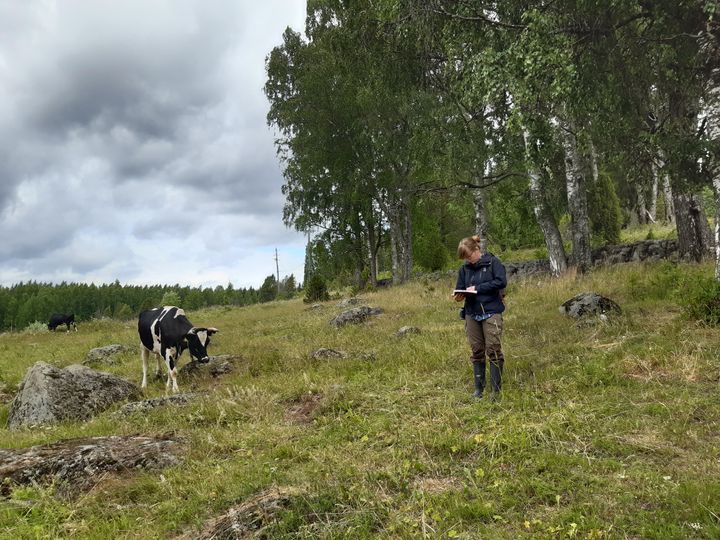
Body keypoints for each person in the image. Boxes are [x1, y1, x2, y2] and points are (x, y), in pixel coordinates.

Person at [453, 235, 507, 400]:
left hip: (491, 311)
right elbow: (460, 288)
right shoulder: (464, 269)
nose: (468, 261)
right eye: (465, 258)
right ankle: (479, 388)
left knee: (493, 349)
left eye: (469, 256)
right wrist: (459, 295)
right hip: (471, 313)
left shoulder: (493, 263)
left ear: (477, 249)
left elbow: (501, 282)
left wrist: (478, 288)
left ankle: (495, 390)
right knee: (477, 350)